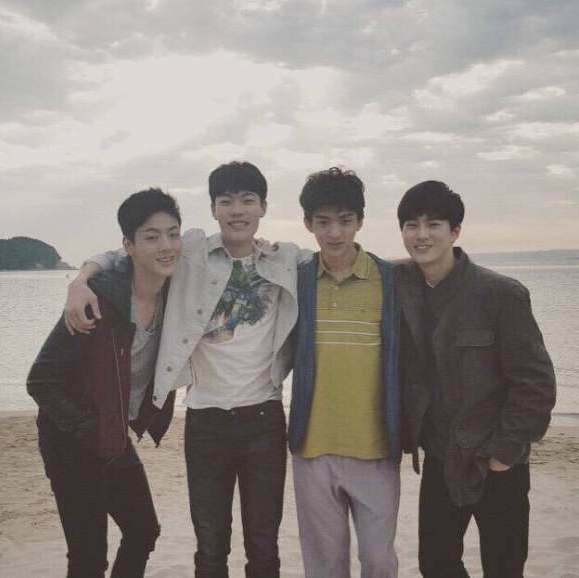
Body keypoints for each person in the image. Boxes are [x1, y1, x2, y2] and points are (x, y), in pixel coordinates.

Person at [63, 161, 310, 578]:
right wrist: (80, 280)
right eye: (226, 201)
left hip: (264, 421)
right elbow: (120, 255)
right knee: (210, 548)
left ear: (264, 207)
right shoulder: (189, 251)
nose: (237, 210)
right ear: (213, 209)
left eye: (247, 200)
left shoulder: (285, 258)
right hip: (205, 423)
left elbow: (338, 259)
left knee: (264, 546)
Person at [396, 181, 556, 577]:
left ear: (455, 231)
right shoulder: (403, 286)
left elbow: (536, 384)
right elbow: (349, 262)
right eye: (411, 225)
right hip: (441, 458)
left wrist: (504, 452)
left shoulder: (500, 294)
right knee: (436, 565)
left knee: (504, 567)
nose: (421, 235)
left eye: (434, 224)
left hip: (497, 461)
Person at [26, 188, 182, 577]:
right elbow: (40, 380)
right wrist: (90, 429)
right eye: (151, 237)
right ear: (129, 246)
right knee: (88, 556)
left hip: (112, 436)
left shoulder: (176, 294)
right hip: (70, 442)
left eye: (172, 234)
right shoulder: (97, 301)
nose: (166, 246)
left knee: (143, 531)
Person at [288, 167, 401, 578]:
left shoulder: (391, 280)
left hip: (376, 448)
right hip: (312, 448)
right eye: (323, 222)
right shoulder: (298, 280)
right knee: (324, 565)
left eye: (345, 220)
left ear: (360, 222)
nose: (334, 233)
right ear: (308, 224)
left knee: (378, 561)